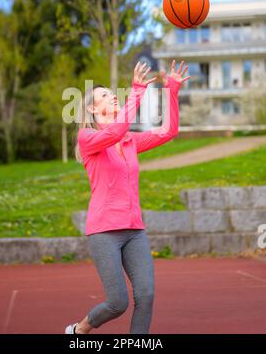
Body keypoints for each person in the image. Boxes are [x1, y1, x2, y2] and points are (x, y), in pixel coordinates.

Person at [65, 59, 190, 334]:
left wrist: (171, 89)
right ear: (92, 108)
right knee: (117, 302)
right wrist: (136, 90)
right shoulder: (87, 138)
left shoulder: (129, 140)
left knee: (146, 295)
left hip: (134, 230)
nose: (113, 97)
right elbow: (116, 130)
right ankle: (80, 329)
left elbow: (169, 131)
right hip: (104, 231)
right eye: (106, 96)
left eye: (113, 94)